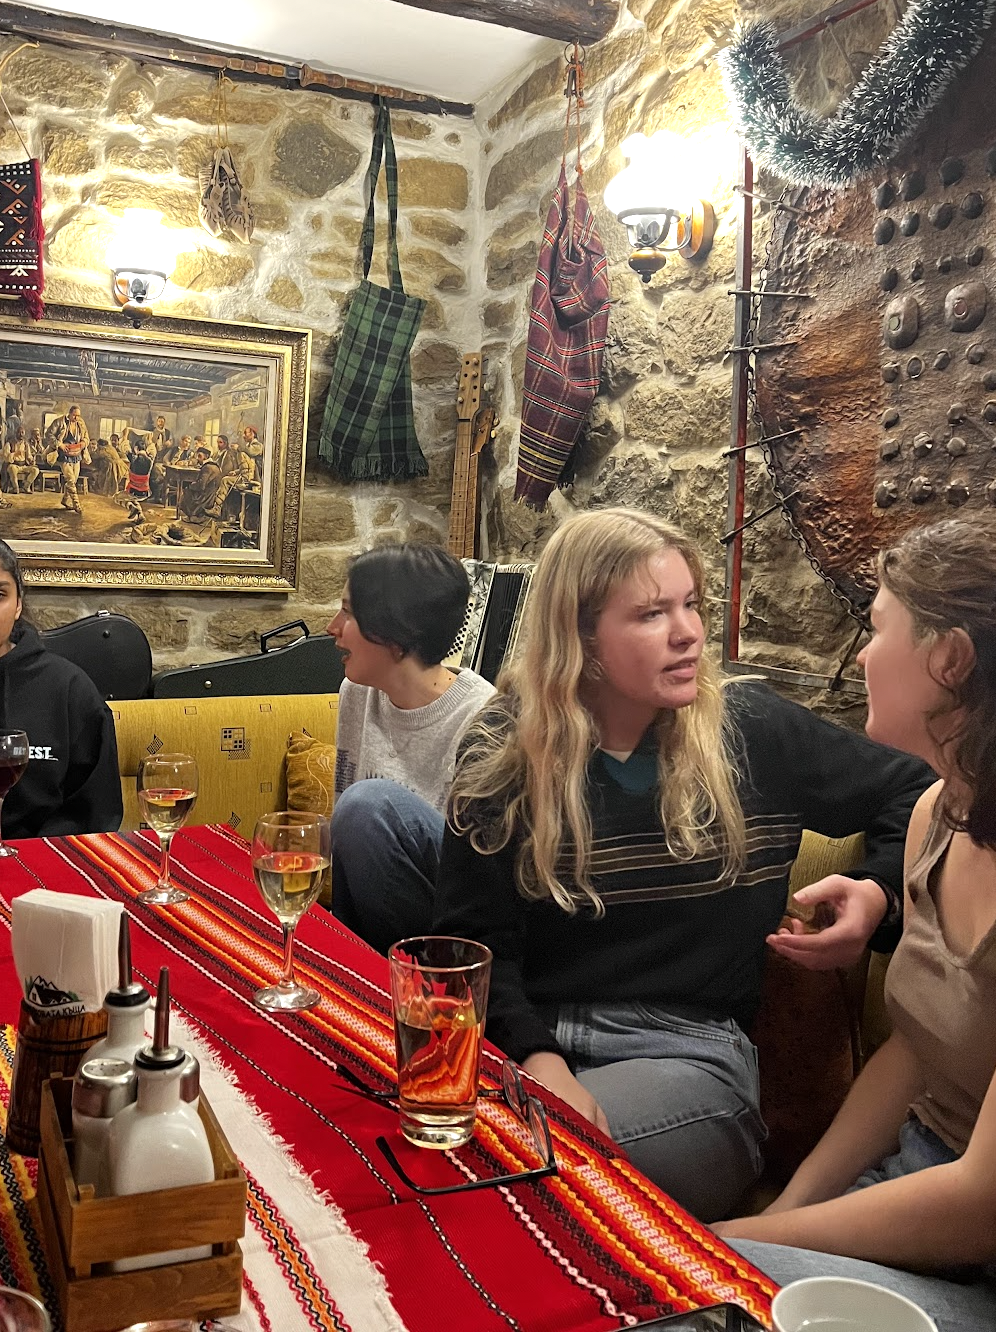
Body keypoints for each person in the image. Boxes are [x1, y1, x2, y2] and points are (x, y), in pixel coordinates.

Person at [430, 507, 932, 1221]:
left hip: (689, 1058)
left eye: (690, 604)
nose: (689, 632)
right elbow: (474, 940)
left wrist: (877, 893)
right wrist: (538, 1059)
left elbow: (918, 791)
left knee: (498, 1173)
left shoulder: (752, 730)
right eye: (651, 613)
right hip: (530, 1038)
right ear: (581, 637)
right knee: (419, 1145)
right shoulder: (506, 747)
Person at [716, 517, 996, 1330]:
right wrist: (786, 1211)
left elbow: (980, 1204)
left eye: (876, 629)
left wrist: (739, 1241)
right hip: (917, 1184)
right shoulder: (936, 818)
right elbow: (914, 1051)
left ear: (950, 660)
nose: (863, 657)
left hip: (969, 1228)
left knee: (687, 1281)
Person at [326, 543, 495, 953]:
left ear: (395, 636)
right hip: (375, 920)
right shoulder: (356, 693)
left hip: (457, 933)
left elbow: (483, 884)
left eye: (348, 613)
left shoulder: (486, 719)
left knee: (366, 806)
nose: (332, 627)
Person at [0, 539, 122, 838]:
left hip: (45, 855)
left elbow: (94, 811)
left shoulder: (69, 688)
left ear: (18, 605)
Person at [44, 405, 91, 514]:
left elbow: (86, 437)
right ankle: (76, 504)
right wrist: (59, 444)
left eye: (78, 415)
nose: (76, 418)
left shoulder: (81, 423)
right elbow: (48, 434)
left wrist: (83, 443)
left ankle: (65, 500)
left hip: (77, 454)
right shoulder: (59, 422)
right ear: (69, 414)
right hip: (63, 455)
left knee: (74, 480)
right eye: (74, 415)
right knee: (70, 479)